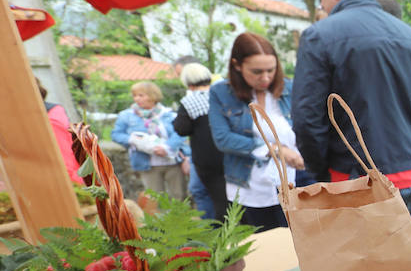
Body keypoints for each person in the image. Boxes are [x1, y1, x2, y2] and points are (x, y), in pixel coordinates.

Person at [292, 0, 411, 237]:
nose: (322, 1)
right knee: (406, 269)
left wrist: (322, 175)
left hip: (351, 180)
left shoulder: (319, 36)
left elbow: (307, 119)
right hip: (409, 174)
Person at [209, 33, 303, 232]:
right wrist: (273, 149)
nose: (266, 78)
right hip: (250, 186)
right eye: (257, 71)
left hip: (293, 182)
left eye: (271, 69)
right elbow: (223, 139)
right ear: (237, 65)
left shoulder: (289, 88)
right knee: (267, 248)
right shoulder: (221, 93)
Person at [111, 81, 186, 201]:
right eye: (135, 95)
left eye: (141, 95)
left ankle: (181, 220)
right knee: (155, 199)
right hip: (147, 164)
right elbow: (116, 134)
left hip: (172, 162)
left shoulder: (168, 114)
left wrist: (167, 148)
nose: (137, 99)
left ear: (153, 96)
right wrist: (135, 141)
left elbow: (180, 133)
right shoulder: (127, 116)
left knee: (178, 197)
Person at [171, 62, 226, 221]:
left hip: (207, 158)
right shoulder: (222, 94)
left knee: (216, 196)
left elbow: (181, 129)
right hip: (229, 152)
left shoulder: (189, 101)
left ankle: (215, 230)